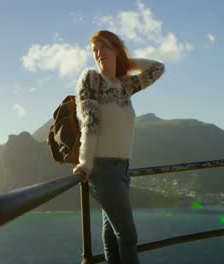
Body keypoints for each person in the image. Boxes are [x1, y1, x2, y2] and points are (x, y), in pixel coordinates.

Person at [72, 30, 165, 263]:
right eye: (94, 49)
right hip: (103, 169)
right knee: (128, 236)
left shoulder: (124, 85)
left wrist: (124, 60)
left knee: (113, 235)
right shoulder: (92, 79)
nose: (98, 53)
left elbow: (157, 68)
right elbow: (89, 123)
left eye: (104, 47)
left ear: (115, 48)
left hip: (122, 169)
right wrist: (84, 162)